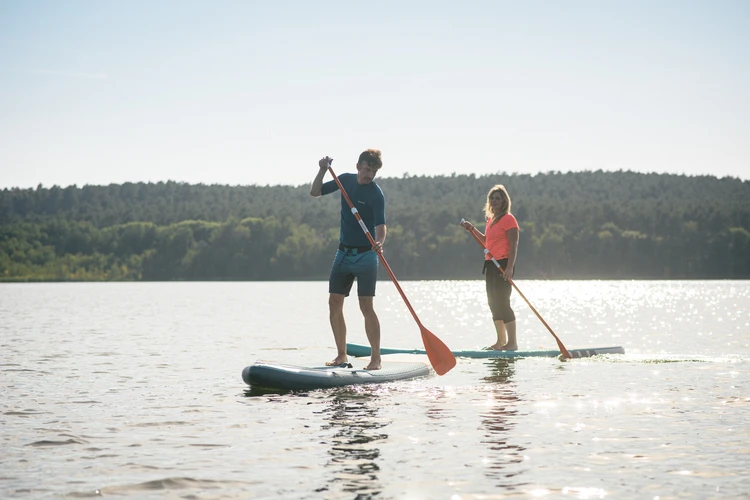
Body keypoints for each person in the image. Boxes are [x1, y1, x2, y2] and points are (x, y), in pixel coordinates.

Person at [310, 149, 387, 370]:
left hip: (367, 255)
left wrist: (379, 242)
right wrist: (322, 170)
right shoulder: (344, 180)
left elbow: (381, 226)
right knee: (334, 302)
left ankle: (376, 359)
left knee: (366, 306)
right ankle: (341, 355)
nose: (369, 175)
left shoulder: (376, 194)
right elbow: (315, 192)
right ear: (358, 166)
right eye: (367, 169)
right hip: (343, 254)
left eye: (373, 172)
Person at [460, 184, 519, 350]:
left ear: (504, 201)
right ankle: (500, 342)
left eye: (498, 198)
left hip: (503, 263)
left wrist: (509, 267)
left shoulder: (509, 219)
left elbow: (514, 244)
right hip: (490, 264)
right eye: (492, 198)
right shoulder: (491, 220)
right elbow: (487, 241)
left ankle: (512, 343)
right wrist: (472, 229)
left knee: (503, 302)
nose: (494, 201)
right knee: (493, 303)